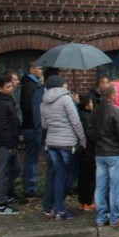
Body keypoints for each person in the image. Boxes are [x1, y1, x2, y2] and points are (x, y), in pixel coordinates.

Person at [40, 75, 87, 220]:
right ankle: (58, 205)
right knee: (71, 174)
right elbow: (76, 122)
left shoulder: (44, 101)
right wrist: (82, 140)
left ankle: (57, 208)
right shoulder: (66, 99)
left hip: (52, 142)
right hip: (68, 143)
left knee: (59, 175)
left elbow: (44, 125)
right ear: (61, 85)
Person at [92, 84, 119, 227]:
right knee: (116, 187)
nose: (118, 95)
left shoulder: (95, 111)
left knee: (101, 187)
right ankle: (116, 218)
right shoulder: (116, 111)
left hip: (100, 153)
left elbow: (90, 132)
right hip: (115, 152)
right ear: (111, 95)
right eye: (117, 93)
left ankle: (100, 218)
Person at [0, 74, 23, 215]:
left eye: (11, 86)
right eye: (8, 87)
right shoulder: (0, 103)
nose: (11, 88)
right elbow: (0, 126)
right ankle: (1, 203)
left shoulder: (6, 99)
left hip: (10, 142)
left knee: (15, 169)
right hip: (5, 143)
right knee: (4, 172)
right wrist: (8, 142)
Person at [19, 63, 45, 198]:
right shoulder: (30, 86)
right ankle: (30, 187)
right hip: (32, 126)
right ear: (32, 69)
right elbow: (28, 107)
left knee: (32, 157)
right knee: (32, 157)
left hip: (31, 126)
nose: (41, 71)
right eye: (39, 68)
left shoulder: (32, 85)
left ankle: (30, 186)